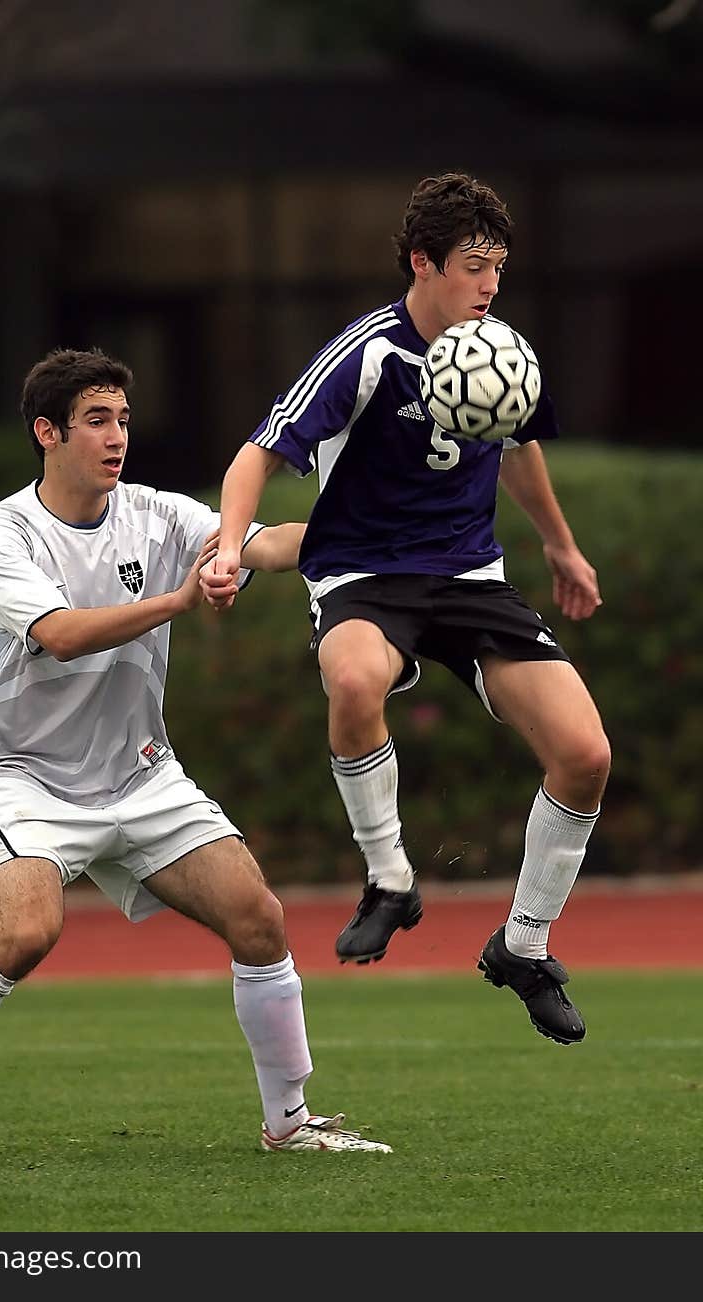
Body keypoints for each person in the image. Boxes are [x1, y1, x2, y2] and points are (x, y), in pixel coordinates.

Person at [0, 346, 392, 1167]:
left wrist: (364, 537)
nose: (116, 435)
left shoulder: (158, 515)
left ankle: (289, 1122)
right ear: (46, 432)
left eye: (123, 419)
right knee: (26, 931)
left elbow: (262, 542)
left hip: (139, 772)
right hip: (26, 777)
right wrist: (178, 597)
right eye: (96, 419)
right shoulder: (0, 533)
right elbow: (57, 635)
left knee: (260, 920)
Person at [203, 172, 610, 1047]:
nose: (490, 285)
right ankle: (390, 879)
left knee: (585, 755)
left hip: (469, 575)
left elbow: (518, 447)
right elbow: (254, 453)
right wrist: (232, 542)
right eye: (473, 266)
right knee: (352, 681)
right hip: (363, 571)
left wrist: (561, 546)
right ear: (424, 263)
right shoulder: (365, 353)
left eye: (498, 266)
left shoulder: (499, 349)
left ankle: (524, 945)